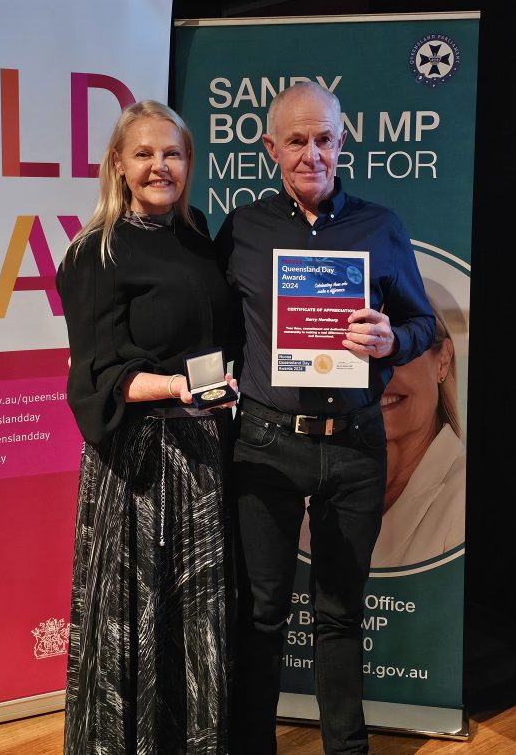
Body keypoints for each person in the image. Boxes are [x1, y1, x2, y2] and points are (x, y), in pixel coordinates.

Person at [215, 81, 435, 755]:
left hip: (355, 445)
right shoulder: (242, 229)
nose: (312, 154)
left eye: (324, 139)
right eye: (297, 140)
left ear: (343, 141)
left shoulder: (381, 226)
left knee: (340, 614)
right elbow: (215, 329)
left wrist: (392, 340)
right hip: (265, 443)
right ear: (270, 148)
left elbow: (422, 323)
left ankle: (347, 749)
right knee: (262, 614)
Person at [56, 100, 237, 755]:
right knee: (131, 621)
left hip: (203, 454)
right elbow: (95, 375)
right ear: (118, 164)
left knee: (196, 625)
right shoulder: (95, 252)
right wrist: (173, 388)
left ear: (188, 163)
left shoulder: (197, 233)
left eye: (173, 153)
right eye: (144, 153)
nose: (160, 166)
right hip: (137, 466)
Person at [370, 296, 465, 567]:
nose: (377, 377)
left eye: (398, 351)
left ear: (442, 361)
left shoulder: (465, 494)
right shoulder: (312, 484)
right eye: (361, 354)